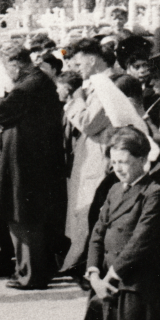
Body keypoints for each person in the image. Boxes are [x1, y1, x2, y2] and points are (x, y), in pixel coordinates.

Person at [83, 126, 160, 320]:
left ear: (143, 159)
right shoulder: (114, 189)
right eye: (114, 162)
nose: (117, 168)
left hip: (131, 286)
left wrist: (110, 278)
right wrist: (94, 274)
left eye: (124, 162)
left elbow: (140, 242)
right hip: (105, 283)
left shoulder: (154, 193)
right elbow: (98, 232)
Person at [0, 41, 65, 290]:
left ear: (15, 62)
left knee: (24, 216)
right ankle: (26, 270)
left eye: (6, 66)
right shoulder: (35, 81)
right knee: (21, 216)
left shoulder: (29, 84)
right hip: (28, 159)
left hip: (26, 162)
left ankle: (30, 273)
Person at [63, 39, 115, 274]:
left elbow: (89, 122)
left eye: (79, 63)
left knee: (92, 212)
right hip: (90, 155)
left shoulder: (108, 84)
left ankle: (89, 265)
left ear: (92, 60)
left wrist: (76, 99)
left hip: (99, 156)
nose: (77, 69)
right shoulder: (95, 83)